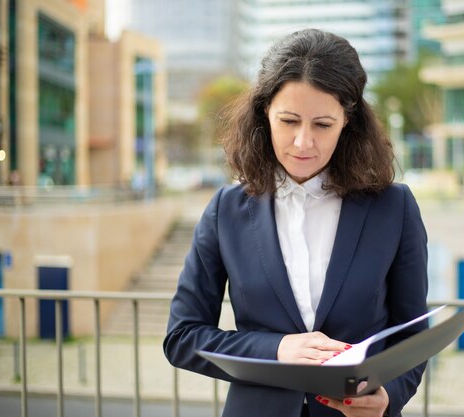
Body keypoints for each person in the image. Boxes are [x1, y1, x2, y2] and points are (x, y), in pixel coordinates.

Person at [163, 28, 429, 417]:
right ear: (264, 114)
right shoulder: (226, 210)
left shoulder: (394, 207)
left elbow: (411, 336)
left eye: (322, 124)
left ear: (347, 123)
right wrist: (277, 349)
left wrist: (389, 395)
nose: (303, 142)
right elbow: (182, 337)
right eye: (289, 121)